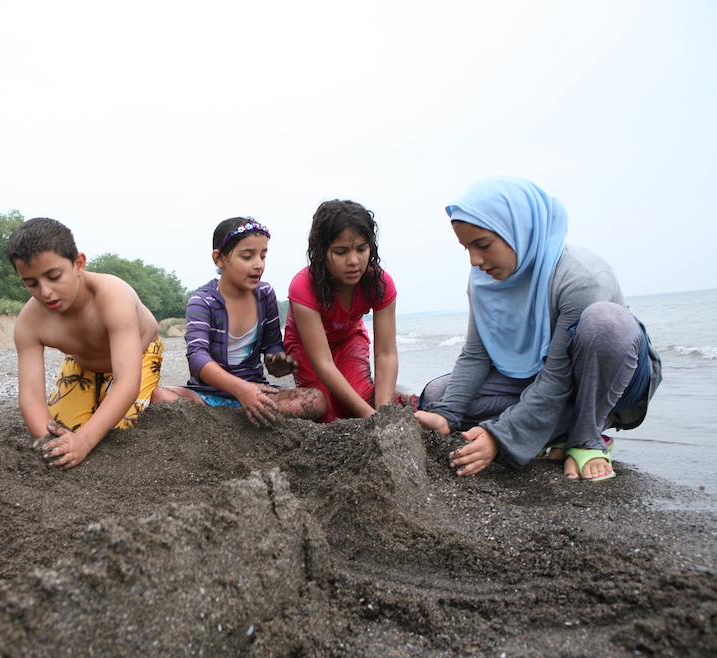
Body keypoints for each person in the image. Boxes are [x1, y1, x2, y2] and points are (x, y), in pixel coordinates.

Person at [414, 176, 662, 481]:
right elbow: (476, 355)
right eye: (467, 248)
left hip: (608, 379)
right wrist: (446, 414)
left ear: (520, 230)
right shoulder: (483, 279)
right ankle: (559, 427)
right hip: (537, 378)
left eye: (483, 245)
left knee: (605, 322)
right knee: (437, 393)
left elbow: (558, 375)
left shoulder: (581, 277)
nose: (475, 260)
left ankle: (586, 436)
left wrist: (502, 436)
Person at [5, 217, 163, 469]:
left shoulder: (113, 297)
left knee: (118, 429)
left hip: (137, 359)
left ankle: (166, 397)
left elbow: (127, 382)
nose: (45, 292)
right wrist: (49, 442)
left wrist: (85, 442)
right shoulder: (29, 322)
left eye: (54, 276)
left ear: (78, 263)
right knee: (65, 430)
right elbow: (31, 396)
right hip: (82, 365)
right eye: (31, 283)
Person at [152, 217, 327, 425]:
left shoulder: (264, 294)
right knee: (160, 396)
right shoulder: (203, 301)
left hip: (257, 390)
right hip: (207, 396)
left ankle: (239, 415)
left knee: (316, 399)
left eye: (263, 256)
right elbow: (197, 358)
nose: (258, 265)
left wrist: (276, 359)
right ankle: (244, 418)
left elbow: (272, 342)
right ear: (219, 259)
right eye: (247, 256)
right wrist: (241, 390)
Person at [283, 199, 400, 423]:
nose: (354, 261)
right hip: (307, 349)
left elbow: (386, 353)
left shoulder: (379, 283)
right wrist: (369, 418)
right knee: (327, 411)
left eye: (361, 249)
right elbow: (324, 363)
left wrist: (382, 413)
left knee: (365, 399)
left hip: (348, 339)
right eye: (341, 251)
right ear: (321, 252)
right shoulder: (303, 286)